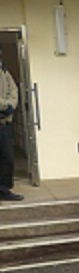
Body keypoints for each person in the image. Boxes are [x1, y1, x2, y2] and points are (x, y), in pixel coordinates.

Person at [0, 49, 22, 201]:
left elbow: (13, 90)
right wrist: (4, 105)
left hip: (4, 122)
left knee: (7, 158)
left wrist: (10, 105)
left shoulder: (4, 71)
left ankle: (3, 189)